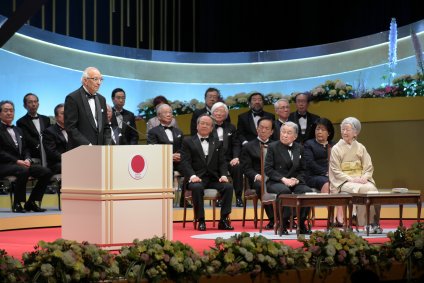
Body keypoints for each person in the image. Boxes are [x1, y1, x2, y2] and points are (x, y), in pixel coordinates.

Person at [180, 114, 234, 231]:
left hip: (214, 178)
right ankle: (201, 220)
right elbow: (185, 162)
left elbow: (222, 162)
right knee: (197, 187)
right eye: (202, 123)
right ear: (197, 125)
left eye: (208, 124)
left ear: (211, 128)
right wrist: (193, 176)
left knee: (228, 187)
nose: (204, 126)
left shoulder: (217, 142)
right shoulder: (188, 141)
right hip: (196, 178)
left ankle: (223, 220)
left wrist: (224, 175)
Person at [329, 117, 382, 234]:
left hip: (360, 179)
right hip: (344, 181)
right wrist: (352, 179)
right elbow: (335, 170)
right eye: (343, 129)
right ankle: (365, 223)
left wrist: (364, 177)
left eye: (347, 130)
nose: (344, 132)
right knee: (363, 189)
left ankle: (374, 223)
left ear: (355, 132)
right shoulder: (336, 149)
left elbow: (368, 166)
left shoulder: (361, 147)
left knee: (373, 190)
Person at [0, 100, 52, 213]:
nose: (9, 113)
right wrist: (17, 161)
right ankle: (18, 203)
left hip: (20, 164)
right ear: (0, 113)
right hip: (4, 165)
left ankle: (31, 202)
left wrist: (27, 159)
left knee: (46, 172)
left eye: (11, 110)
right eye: (6, 110)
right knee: (23, 170)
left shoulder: (18, 130)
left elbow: (25, 149)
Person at [265, 121, 312, 235]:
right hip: (276, 181)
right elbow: (268, 169)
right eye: (283, 132)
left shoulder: (299, 148)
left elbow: (303, 169)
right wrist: (283, 179)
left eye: (289, 133)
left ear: (295, 136)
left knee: (307, 192)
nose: (285, 135)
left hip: (294, 181)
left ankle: (301, 223)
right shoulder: (272, 147)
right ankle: (283, 223)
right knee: (285, 191)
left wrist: (297, 180)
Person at [303, 117, 342, 226]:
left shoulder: (334, 145)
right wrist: (326, 172)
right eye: (317, 129)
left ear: (329, 133)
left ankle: (340, 217)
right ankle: (331, 217)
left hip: (332, 175)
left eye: (323, 130)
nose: (319, 132)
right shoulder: (309, 144)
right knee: (327, 184)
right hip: (313, 176)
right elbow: (309, 163)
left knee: (340, 185)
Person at [240, 117, 275, 229]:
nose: (263, 130)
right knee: (262, 186)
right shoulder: (248, 146)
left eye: (267, 128)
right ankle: (274, 219)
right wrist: (257, 176)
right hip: (257, 179)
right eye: (261, 127)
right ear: (257, 129)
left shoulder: (277, 145)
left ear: (272, 131)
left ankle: (286, 218)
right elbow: (246, 168)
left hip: (275, 178)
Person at [147, 103, 185, 206]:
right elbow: (152, 150)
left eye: (170, 112)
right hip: (162, 162)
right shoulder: (153, 132)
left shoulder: (179, 132)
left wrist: (179, 155)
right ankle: (168, 201)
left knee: (189, 168)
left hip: (178, 161)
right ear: (159, 116)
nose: (169, 114)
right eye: (165, 113)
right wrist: (169, 156)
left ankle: (184, 201)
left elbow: (183, 148)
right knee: (168, 169)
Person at [64, 67, 111, 149]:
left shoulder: (102, 99)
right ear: (85, 81)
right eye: (95, 79)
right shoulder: (73, 98)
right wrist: (87, 145)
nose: (99, 83)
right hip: (80, 150)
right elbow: (71, 127)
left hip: (101, 151)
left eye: (101, 79)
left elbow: (106, 126)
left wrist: (107, 145)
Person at [210, 102, 243, 207]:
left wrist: (236, 157)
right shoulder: (208, 126)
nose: (219, 113)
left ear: (226, 114)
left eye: (222, 111)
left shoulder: (231, 127)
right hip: (213, 160)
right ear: (212, 113)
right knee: (215, 168)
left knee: (237, 167)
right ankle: (219, 198)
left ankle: (238, 197)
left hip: (228, 159)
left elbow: (236, 144)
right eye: (216, 111)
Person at [16, 93, 51, 166]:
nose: (33, 104)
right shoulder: (21, 122)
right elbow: (26, 138)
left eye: (35, 101)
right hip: (33, 154)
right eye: (30, 102)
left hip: (48, 152)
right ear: (25, 106)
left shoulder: (46, 119)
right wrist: (39, 146)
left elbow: (49, 135)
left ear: (38, 104)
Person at [42, 103, 68, 174]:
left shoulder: (73, 130)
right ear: (56, 117)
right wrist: (68, 159)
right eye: (62, 113)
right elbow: (52, 152)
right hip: (56, 164)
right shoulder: (49, 131)